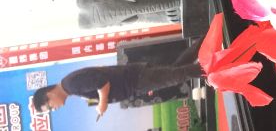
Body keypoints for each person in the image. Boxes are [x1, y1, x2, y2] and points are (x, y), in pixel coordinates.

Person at [32, 61, 201, 117]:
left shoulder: (71, 85)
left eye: (50, 107)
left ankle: (209, 68)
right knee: (177, 71)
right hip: (134, 80)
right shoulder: (70, 86)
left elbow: (102, 82)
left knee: (178, 74)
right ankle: (207, 61)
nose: (54, 109)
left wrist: (102, 103)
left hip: (135, 79)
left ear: (49, 94)